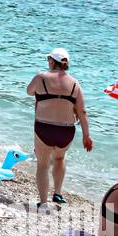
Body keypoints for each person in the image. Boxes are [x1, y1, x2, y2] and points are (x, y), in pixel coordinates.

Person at [26, 48, 92, 208]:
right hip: (66, 131)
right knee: (60, 158)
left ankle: (43, 203)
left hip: (44, 128)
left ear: (51, 61)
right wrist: (86, 136)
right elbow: (82, 112)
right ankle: (58, 194)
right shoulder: (75, 83)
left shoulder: (41, 77)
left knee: (43, 164)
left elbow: (29, 92)